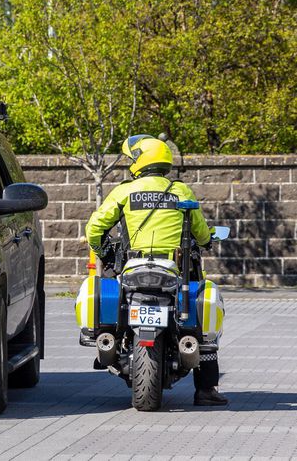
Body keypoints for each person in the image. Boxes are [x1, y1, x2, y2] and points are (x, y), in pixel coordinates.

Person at [85, 134, 228, 406]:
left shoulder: (125, 191)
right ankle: (206, 390)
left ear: (139, 162)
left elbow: (94, 228)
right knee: (201, 325)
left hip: (133, 266)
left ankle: (111, 341)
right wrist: (208, 239)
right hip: (171, 267)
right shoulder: (181, 191)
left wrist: (101, 249)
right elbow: (199, 231)